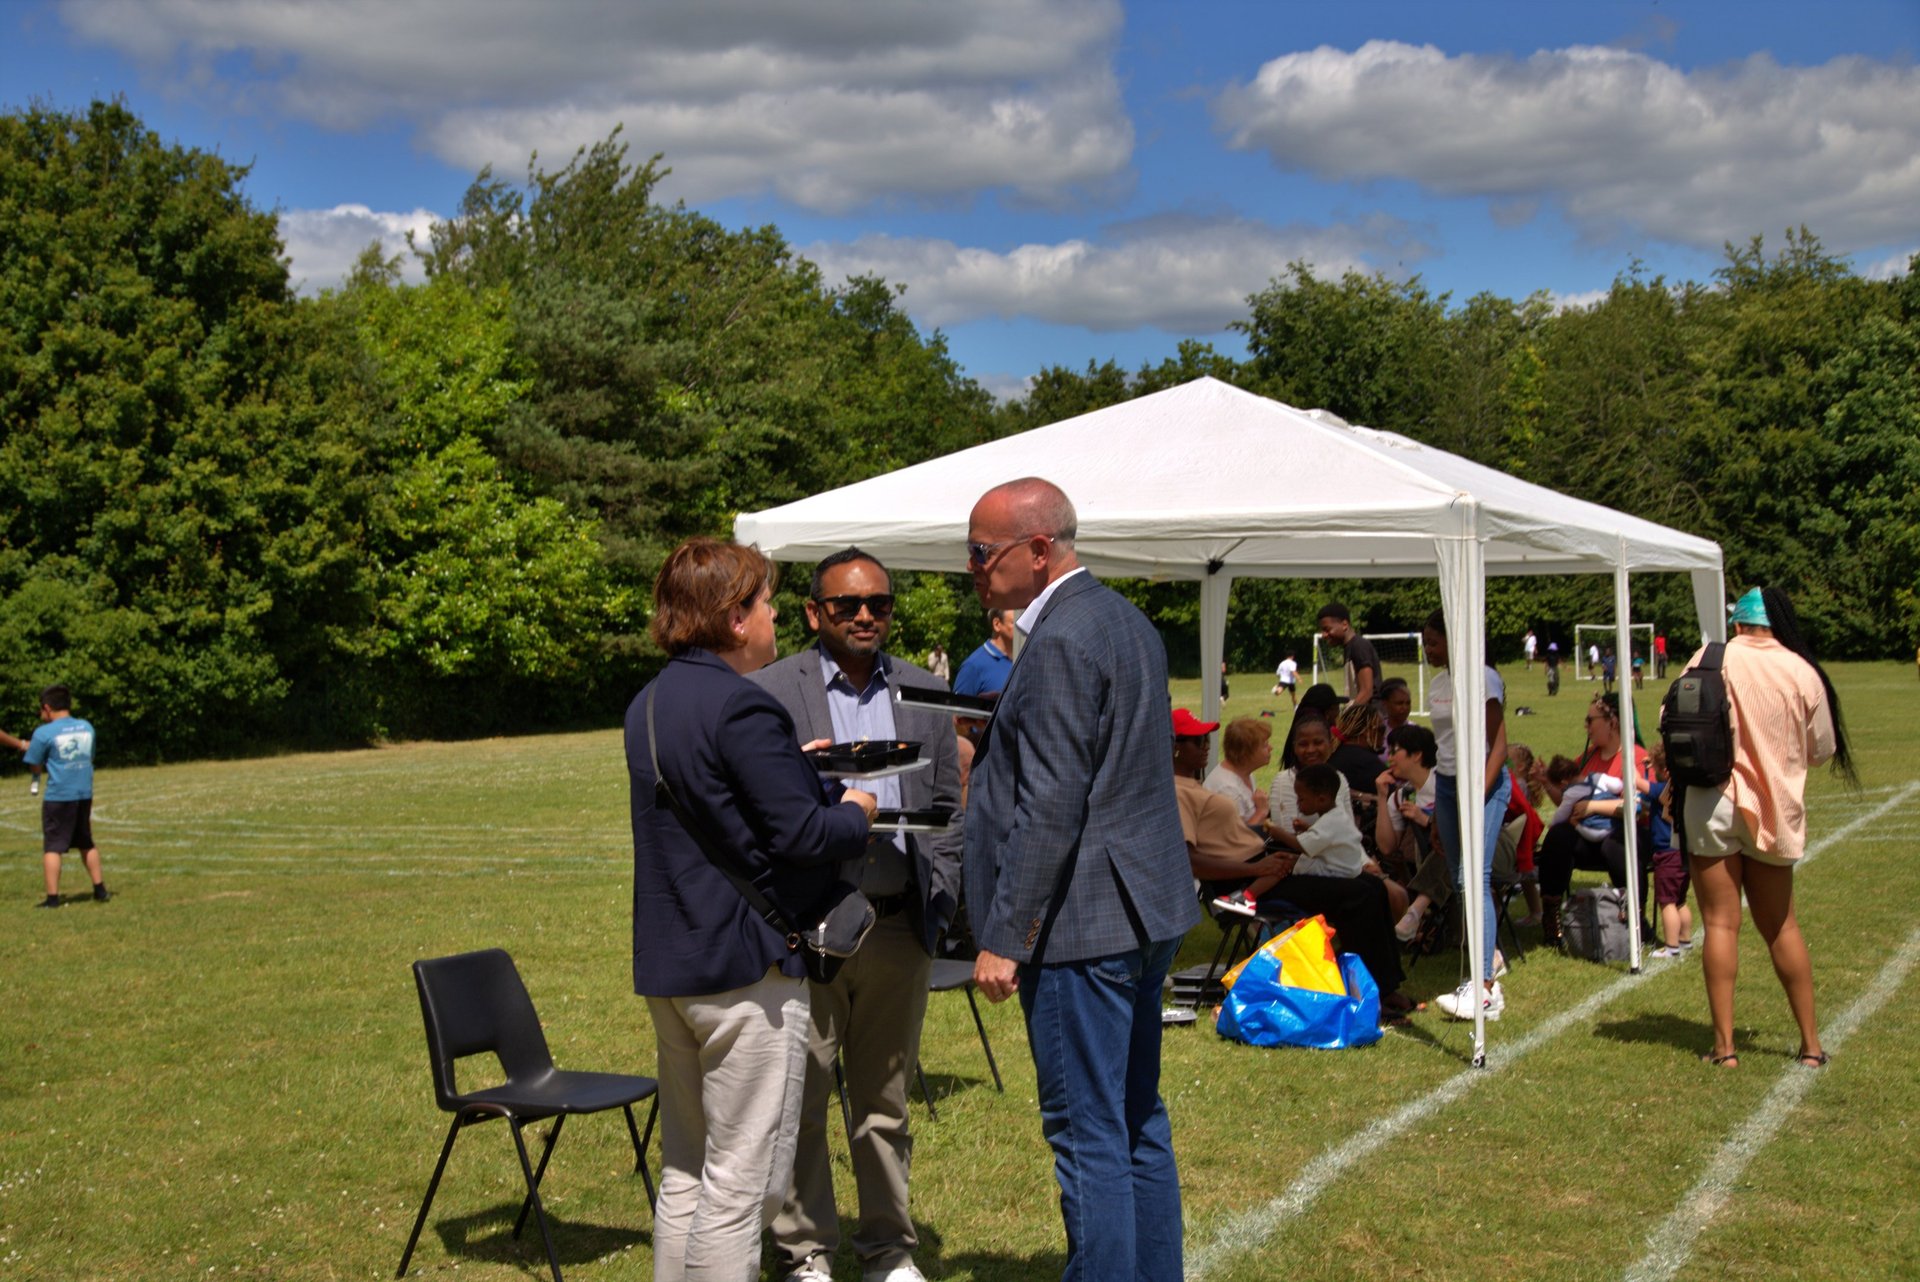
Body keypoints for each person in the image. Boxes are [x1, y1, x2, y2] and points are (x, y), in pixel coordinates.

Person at [962, 477, 1197, 1281]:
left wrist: (1004, 935)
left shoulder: (1060, 638)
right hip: (1140, 909)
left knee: (1089, 1129)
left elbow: (1052, 802)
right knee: (1134, 1119)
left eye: (982, 552)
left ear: (1038, 549)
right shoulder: (1123, 620)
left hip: (1083, 927)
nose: (972, 569)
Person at [624, 537, 877, 1282]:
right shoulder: (742, 703)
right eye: (766, 603)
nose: (774, 617)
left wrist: (791, 765)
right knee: (741, 1182)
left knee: (687, 1172)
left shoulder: (650, 700)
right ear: (736, 618)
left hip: (674, 964)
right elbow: (802, 835)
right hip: (745, 971)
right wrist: (859, 808)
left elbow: (719, 801)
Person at [750, 548, 963, 1282]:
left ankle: (887, 1252)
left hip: (902, 924)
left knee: (885, 1099)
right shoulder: (770, 692)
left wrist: (944, 893)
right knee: (801, 1098)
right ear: (815, 613)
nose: (866, 615)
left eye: (879, 603)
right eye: (848, 605)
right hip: (808, 926)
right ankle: (805, 1252)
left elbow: (950, 809)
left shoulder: (927, 690)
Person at [1682, 587, 1853, 1070]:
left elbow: (1668, 718)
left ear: (1737, 624)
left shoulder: (1710, 657)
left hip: (1712, 801)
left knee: (1719, 923)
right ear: (1778, 623)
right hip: (1774, 810)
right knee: (1781, 926)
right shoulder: (1802, 671)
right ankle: (1811, 1046)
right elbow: (1822, 750)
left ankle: (1724, 1049)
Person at [1172, 717, 1411, 1017]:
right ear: (1175, 747)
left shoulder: (1192, 784)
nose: (1207, 746)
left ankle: (1386, 987)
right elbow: (1189, 862)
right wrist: (1256, 870)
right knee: (1357, 894)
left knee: (1371, 886)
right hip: (1244, 884)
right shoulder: (1178, 792)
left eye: (1207, 739)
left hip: (1265, 865)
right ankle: (1369, 995)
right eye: (1198, 741)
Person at [1423, 610, 1513, 1023]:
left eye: (1434, 642)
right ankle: (1489, 957)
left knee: (1474, 878)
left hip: (1483, 784)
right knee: (1460, 878)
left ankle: (1484, 990)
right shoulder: (1439, 683)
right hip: (1447, 783)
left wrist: (1478, 793)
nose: (1428, 649)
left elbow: (1499, 744)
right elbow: (1445, 744)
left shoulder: (1484, 677)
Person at [1, 686, 109, 907]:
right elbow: (90, 755)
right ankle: (100, 890)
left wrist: (34, 767)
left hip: (59, 795)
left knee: (53, 846)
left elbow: (34, 762)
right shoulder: (86, 727)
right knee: (86, 841)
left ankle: (52, 898)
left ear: (48, 708)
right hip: (83, 793)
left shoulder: (44, 732)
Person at [1213, 764, 1366, 915]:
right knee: (1286, 858)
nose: (1298, 805)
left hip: (1334, 872)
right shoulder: (1336, 816)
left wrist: (1279, 833)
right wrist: (1307, 828)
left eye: (1301, 800)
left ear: (1321, 799)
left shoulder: (1330, 821)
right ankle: (1246, 897)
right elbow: (1327, 839)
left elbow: (1303, 846)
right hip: (1338, 866)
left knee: (1281, 864)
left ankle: (1246, 898)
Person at [1643, 744, 1693, 960]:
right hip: (1684, 851)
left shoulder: (1662, 790)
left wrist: (1638, 769)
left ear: (1664, 771)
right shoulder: (1680, 787)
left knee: (1666, 901)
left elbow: (1639, 785)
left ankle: (1671, 946)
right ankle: (1685, 939)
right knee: (1680, 899)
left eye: (1655, 767)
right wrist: (1651, 766)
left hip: (1666, 852)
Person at [1202, 715, 1271, 827]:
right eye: (1264, 745)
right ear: (1245, 753)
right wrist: (1262, 811)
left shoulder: (1244, 773)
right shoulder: (1227, 789)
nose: (1270, 748)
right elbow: (1237, 839)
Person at [1316, 602, 1380, 706]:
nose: (1323, 635)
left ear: (1344, 625)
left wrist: (1346, 719)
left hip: (1371, 717)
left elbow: (1366, 692)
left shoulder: (1359, 646)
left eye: (1327, 629)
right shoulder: (1349, 648)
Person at [952, 607, 1018, 697]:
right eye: (1015, 622)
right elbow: (958, 709)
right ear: (997, 624)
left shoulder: (1026, 660)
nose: (1021, 626)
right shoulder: (973, 667)